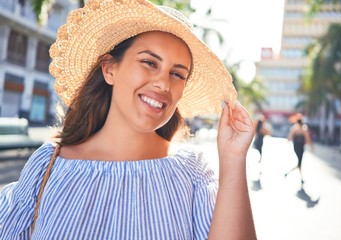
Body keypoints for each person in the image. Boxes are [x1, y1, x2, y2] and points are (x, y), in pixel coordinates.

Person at [0, 0, 257, 239]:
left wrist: (234, 159)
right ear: (110, 69)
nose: (163, 83)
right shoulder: (48, 165)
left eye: (177, 74)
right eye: (149, 62)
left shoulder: (193, 172)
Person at [285, 116, 313, 184]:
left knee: (299, 163)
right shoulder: (304, 128)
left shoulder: (294, 128)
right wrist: (311, 147)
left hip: (296, 147)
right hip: (300, 147)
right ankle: (290, 174)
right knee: (299, 163)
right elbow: (307, 139)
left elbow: (289, 138)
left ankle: (292, 175)